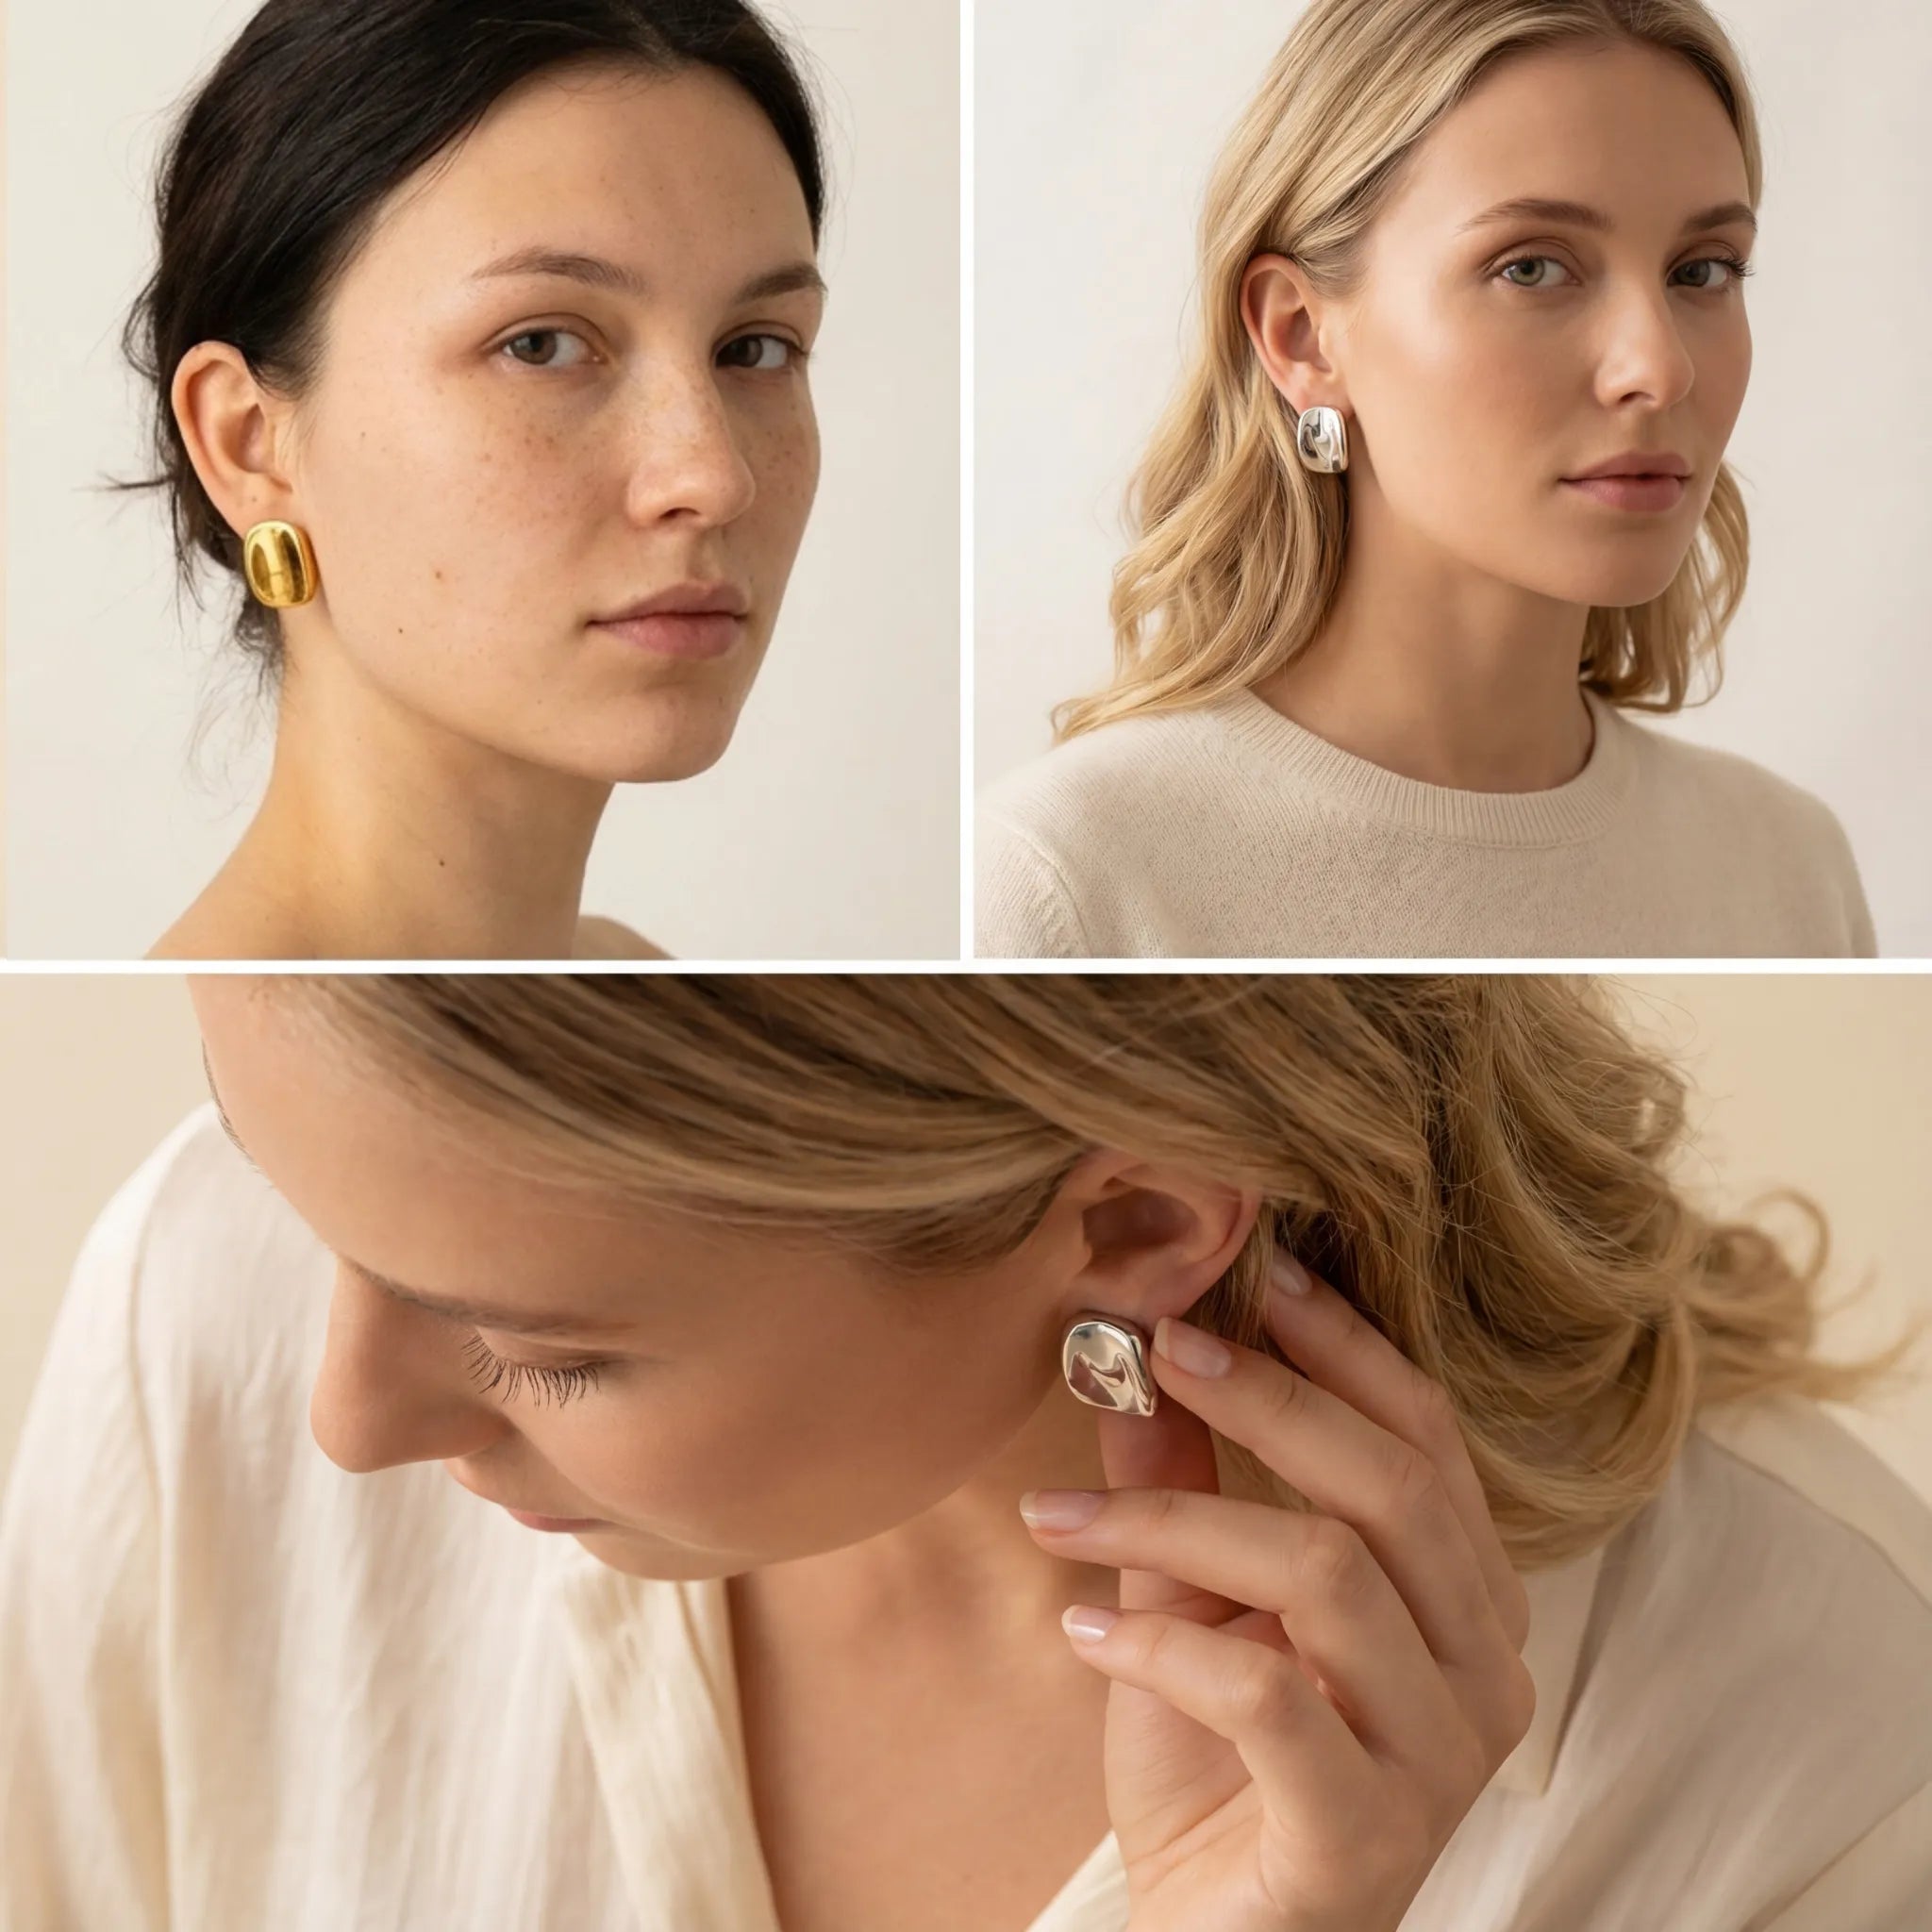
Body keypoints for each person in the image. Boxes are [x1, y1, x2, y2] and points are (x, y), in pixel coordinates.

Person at [4, 973, 1928, 1930]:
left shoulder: (1799, 1738)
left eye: (547, 1349)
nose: (337, 1421)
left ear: (1127, 1231)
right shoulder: (207, 1306)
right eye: (291, 1189)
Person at [976, 0, 1874, 959]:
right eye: (1530, 267)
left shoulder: (1786, 865)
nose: (1656, 368)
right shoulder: (1068, 882)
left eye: (1701, 271)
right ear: (1300, 335)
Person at [125, 0, 828, 960]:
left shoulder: (649, 998)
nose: (710, 474)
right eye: (540, 344)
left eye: (754, 346)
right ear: (248, 441)